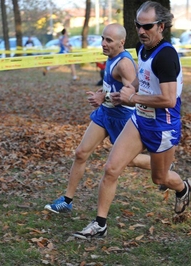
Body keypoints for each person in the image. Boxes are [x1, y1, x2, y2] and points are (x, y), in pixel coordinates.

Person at [73, 1, 191, 240]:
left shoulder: (166, 56)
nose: (141, 31)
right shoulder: (143, 48)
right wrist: (121, 94)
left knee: (160, 178)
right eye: (138, 25)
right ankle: (100, 225)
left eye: (147, 26)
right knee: (111, 169)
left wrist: (134, 97)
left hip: (162, 125)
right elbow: (142, 78)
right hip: (139, 119)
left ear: (161, 26)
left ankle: (183, 187)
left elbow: (169, 100)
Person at [44, 23, 151, 214]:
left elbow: (132, 99)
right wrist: (101, 93)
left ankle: (161, 166)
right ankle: (67, 201)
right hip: (105, 114)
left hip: (122, 118)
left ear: (122, 42)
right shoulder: (110, 57)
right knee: (81, 153)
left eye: (109, 40)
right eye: (102, 38)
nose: (103, 43)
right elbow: (112, 86)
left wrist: (105, 97)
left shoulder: (125, 64)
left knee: (132, 161)